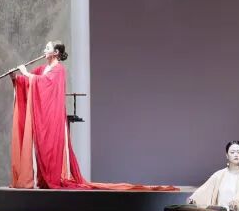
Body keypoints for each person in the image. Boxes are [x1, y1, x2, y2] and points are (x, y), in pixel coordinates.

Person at [10, 41, 175, 191]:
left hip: (51, 118)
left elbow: (43, 83)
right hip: (41, 117)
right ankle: (42, 179)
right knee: (39, 147)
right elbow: (31, 82)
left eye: (47, 48)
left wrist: (26, 73)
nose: (44, 50)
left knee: (49, 149)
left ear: (56, 52)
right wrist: (17, 77)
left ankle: (50, 178)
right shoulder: (42, 69)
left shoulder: (59, 70)